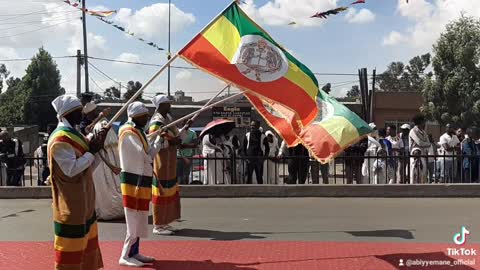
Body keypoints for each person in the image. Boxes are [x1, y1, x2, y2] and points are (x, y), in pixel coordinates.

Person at [48, 95, 106, 270]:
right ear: (67, 114)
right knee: (71, 248)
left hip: (85, 200)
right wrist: (91, 152)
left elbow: (87, 167)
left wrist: (97, 148)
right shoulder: (60, 139)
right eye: (78, 111)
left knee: (86, 244)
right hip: (71, 203)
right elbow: (71, 169)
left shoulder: (74, 134)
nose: (82, 114)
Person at [118, 101, 161, 267]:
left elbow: (149, 152)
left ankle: (134, 252)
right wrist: (150, 155)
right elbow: (143, 156)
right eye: (144, 116)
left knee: (140, 217)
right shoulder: (128, 132)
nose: (147, 119)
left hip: (141, 180)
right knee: (132, 218)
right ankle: (125, 254)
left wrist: (158, 140)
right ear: (136, 116)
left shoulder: (138, 131)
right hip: (132, 181)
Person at [149, 95, 184, 235]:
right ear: (161, 105)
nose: (170, 106)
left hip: (170, 161)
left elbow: (175, 135)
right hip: (162, 162)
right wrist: (171, 141)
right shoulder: (156, 121)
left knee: (170, 191)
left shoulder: (168, 119)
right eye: (168, 104)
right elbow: (154, 140)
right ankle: (158, 225)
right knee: (161, 192)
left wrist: (182, 133)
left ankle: (166, 221)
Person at [92, 109, 124, 221]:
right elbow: (99, 148)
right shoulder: (98, 126)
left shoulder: (103, 125)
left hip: (109, 161)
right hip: (104, 163)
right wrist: (111, 165)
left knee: (111, 187)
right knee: (105, 187)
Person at [177, 120, 198, 185]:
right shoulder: (178, 132)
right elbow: (178, 145)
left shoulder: (192, 132)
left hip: (189, 155)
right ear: (182, 123)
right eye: (184, 122)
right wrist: (188, 145)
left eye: (188, 123)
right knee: (178, 174)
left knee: (186, 174)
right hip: (179, 156)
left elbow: (195, 144)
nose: (186, 124)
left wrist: (185, 145)